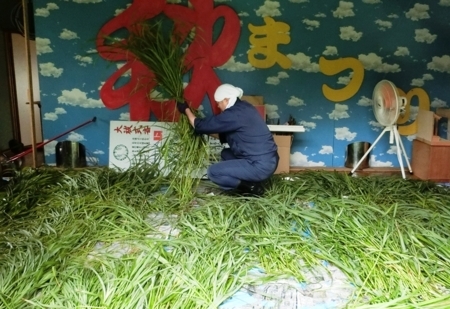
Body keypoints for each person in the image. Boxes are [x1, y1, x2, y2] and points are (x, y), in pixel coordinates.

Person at [177, 83, 279, 196]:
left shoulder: (233, 114)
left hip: (260, 165)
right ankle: (251, 181)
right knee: (226, 153)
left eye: (219, 103)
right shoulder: (245, 107)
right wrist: (204, 131)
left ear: (226, 100)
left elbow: (199, 125)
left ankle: (251, 187)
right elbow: (223, 136)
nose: (218, 106)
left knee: (213, 172)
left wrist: (186, 109)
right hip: (269, 161)